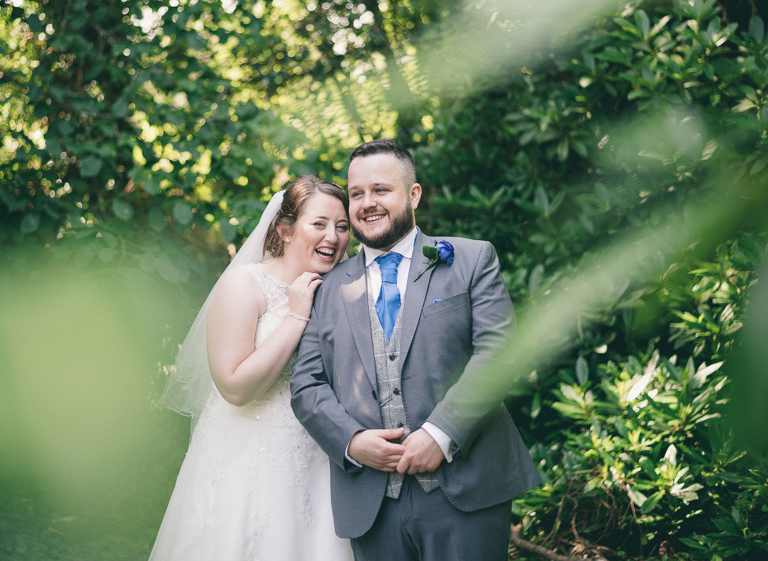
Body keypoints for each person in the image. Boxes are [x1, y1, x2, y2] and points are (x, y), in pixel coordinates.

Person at [290, 140, 541, 561]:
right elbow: (306, 383)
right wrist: (352, 442)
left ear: (413, 194)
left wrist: (440, 434)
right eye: (356, 194)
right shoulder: (328, 287)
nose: (367, 203)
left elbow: (499, 354)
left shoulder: (471, 258)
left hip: (465, 489)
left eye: (380, 190)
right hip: (371, 504)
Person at [150, 176, 354, 561]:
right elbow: (234, 387)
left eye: (342, 226)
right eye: (320, 223)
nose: (333, 236)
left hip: (319, 460)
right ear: (285, 229)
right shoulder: (245, 284)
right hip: (248, 459)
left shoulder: (341, 287)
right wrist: (296, 317)